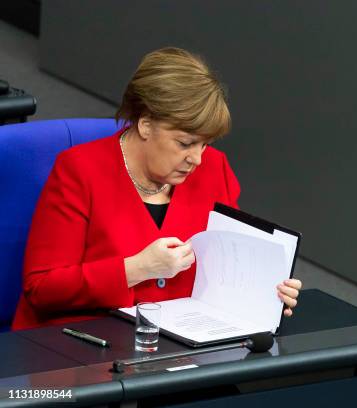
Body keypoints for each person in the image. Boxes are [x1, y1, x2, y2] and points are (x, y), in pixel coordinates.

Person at [11, 47, 301, 330]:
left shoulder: (215, 168)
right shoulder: (79, 171)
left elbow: (230, 266)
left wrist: (268, 290)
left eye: (205, 144)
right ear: (146, 124)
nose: (197, 159)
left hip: (184, 347)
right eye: (185, 143)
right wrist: (137, 268)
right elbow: (42, 287)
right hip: (86, 346)